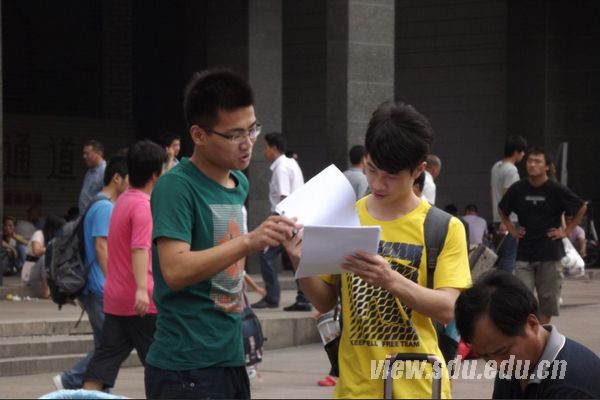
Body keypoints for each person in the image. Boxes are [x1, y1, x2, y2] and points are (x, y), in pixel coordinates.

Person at [284, 101, 471, 398]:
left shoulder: (443, 227)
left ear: (418, 170)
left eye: (391, 176)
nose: (378, 184)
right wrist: (301, 263)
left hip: (419, 387)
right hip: (356, 388)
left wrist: (390, 279)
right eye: (372, 170)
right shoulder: (345, 216)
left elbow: (447, 308)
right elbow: (327, 300)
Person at [144, 69, 298, 399]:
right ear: (198, 135)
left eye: (252, 129)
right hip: (186, 365)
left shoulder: (237, 182)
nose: (248, 143)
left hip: (229, 355)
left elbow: (225, 266)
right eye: (234, 135)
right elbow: (175, 269)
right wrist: (249, 241)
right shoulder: (176, 187)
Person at [83, 141, 165, 391]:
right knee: (160, 364)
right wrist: (141, 289)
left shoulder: (121, 201)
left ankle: (86, 396)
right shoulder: (143, 206)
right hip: (141, 301)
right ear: (155, 174)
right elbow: (140, 248)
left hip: (116, 298)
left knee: (105, 360)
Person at [455, 271, 600, 399]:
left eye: (503, 352)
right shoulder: (513, 368)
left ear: (531, 324)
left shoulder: (570, 387)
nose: (497, 365)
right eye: (485, 356)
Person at [54, 156, 129, 390]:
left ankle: (98, 388)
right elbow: (101, 247)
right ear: (117, 178)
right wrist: (113, 281)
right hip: (99, 287)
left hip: (96, 286)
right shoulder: (104, 207)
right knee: (111, 345)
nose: (130, 184)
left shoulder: (98, 204)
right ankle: (71, 379)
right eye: (128, 178)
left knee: (106, 344)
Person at [498, 147, 587, 324]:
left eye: (537, 161)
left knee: (548, 300)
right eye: (530, 161)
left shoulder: (555, 189)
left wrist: (566, 231)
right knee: (522, 298)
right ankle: (529, 331)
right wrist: (513, 230)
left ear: (547, 166)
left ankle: (542, 333)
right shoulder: (518, 188)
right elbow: (502, 209)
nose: (532, 165)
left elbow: (581, 207)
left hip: (550, 253)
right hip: (524, 253)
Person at [252, 132, 311, 312]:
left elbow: (284, 197)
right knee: (295, 258)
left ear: (274, 148)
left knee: (266, 254)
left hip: (285, 219)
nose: (264, 152)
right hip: (295, 219)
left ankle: (272, 297)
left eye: (265, 147)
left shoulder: (281, 168)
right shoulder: (291, 163)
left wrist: (279, 224)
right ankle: (304, 298)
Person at [490, 134, 528, 272]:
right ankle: (506, 283)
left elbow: (492, 191)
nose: (523, 155)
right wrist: (505, 221)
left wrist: (498, 217)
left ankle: (499, 283)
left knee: (500, 257)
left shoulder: (496, 166)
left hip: (497, 217)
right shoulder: (512, 170)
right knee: (509, 257)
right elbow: (509, 195)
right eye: (522, 152)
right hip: (509, 219)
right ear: (516, 152)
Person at [79, 140, 106, 214]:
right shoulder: (90, 171)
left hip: (95, 215)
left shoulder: (104, 172)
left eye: (87, 153)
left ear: (99, 153)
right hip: (84, 215)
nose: (84, 156)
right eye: (84, 153)